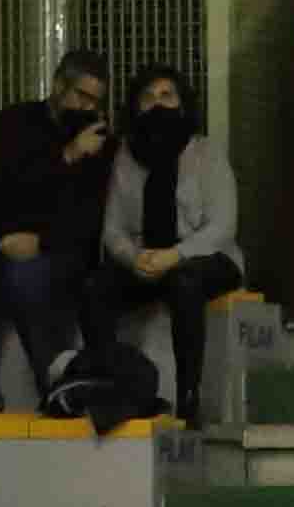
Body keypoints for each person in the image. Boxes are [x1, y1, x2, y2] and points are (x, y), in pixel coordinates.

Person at [0, 58, 121, 411]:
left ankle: (56, 389)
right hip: (1, 244)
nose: (88, 108)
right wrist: (68, 155)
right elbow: (11, 185)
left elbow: (93, 218)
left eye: (96, 101)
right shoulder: (15, 122)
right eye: (82, 96)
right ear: (58, 85)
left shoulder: (102, 144)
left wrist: (42, 242)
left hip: (62, 253)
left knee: (27, 278)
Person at [99, 62, 248, 423]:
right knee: (94, 289)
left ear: (182, 104)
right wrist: (133, 258)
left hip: (205, 256)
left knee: (185, 283)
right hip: (147, 259)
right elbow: (112, 229)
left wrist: (175, 255)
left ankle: (189, 403)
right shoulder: (126, 157)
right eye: (148, 97)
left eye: (167, 95)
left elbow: (223, 225)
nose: (158, 104)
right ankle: (111, 391)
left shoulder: (205, 153)